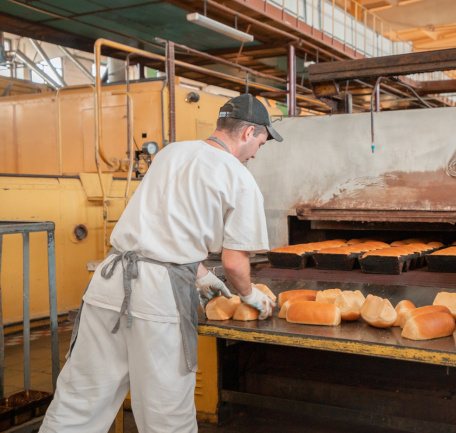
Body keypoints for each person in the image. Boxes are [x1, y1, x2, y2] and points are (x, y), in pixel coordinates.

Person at [40, 94, 282, 432]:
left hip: (109, 283)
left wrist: (200, 275)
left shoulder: (170, 153)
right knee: (166, 413)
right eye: (261, 142)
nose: (256, 152)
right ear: (248, 132)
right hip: (158, 298)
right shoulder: (239, 178)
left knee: (80, 400)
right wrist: (250, 295)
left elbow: (160, 229)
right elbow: (235, 264)